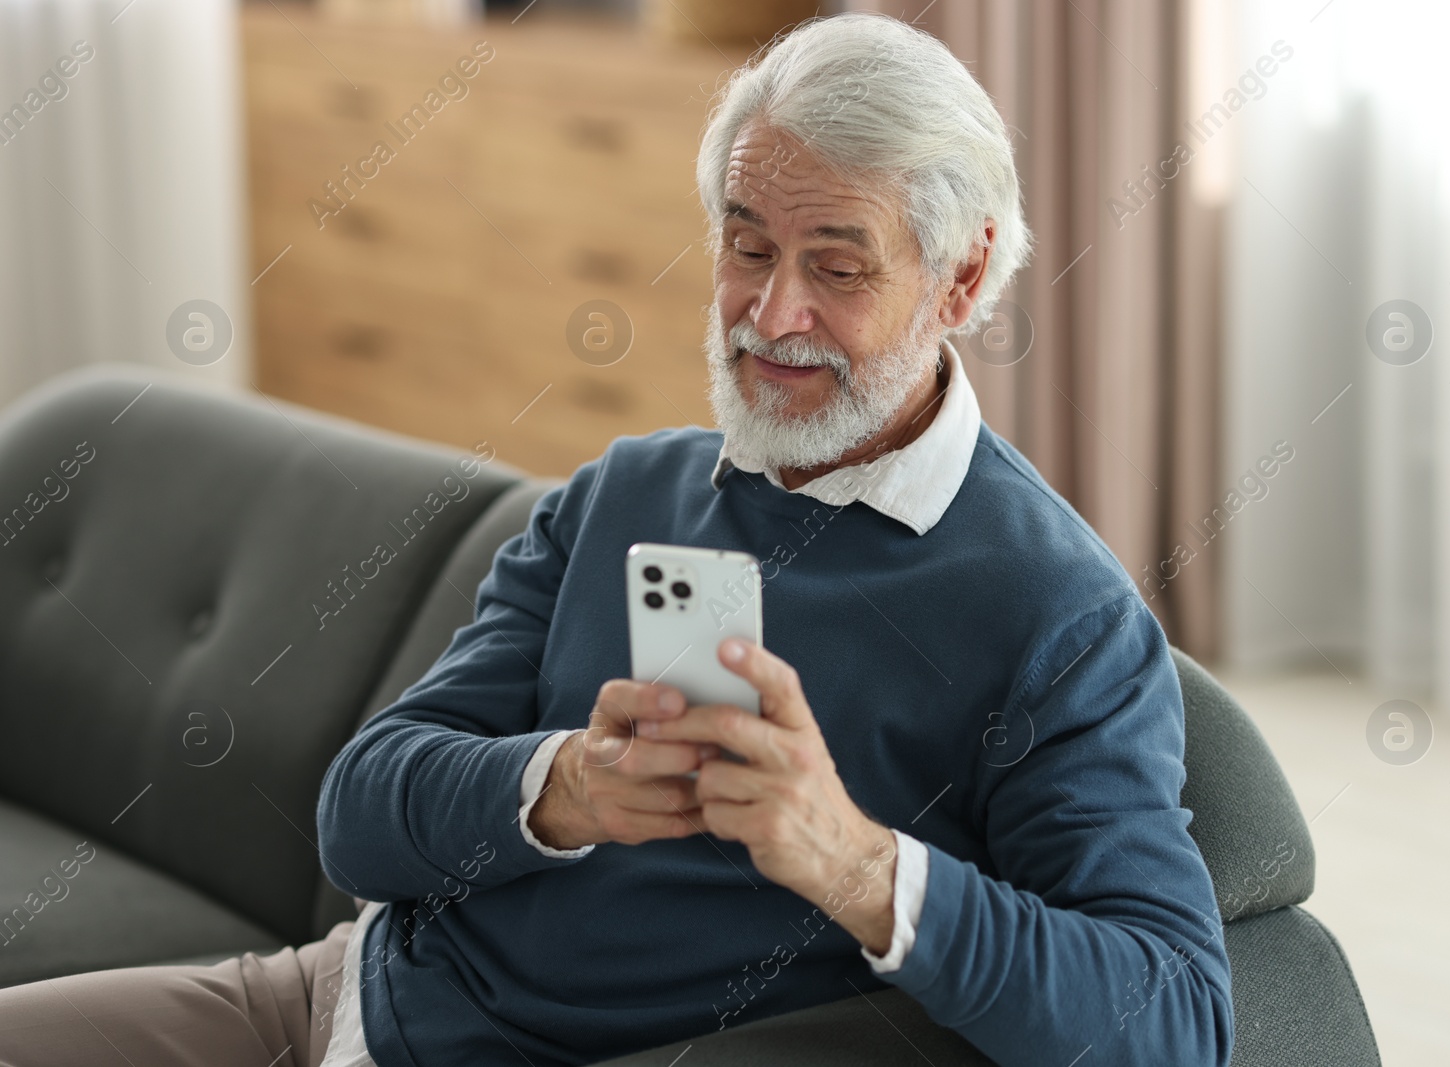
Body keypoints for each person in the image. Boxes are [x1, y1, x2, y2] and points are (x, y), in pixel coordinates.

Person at [0, 12, 1232, 1066]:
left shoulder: (1057, 614)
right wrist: (563, 786)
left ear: (960, 284)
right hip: (333, 1003)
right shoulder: (627, 492)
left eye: (836, 266)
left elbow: (1177, 1019)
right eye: (747, 247)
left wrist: (853, 863)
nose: (772, 312)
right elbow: (360, 812)